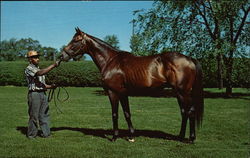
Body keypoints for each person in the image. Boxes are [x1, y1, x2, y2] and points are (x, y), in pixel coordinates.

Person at [25, 50, 60, 139]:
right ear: (30, 59)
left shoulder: (38, 68)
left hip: (43, 94)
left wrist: (51, 86)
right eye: (35, 57)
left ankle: (46, 134)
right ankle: (32, 135)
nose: (37, 58)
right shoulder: (29, 68)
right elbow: (40, 73)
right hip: (34, 94)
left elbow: (42, 84)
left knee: (44, 115)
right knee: (34, 115)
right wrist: (53, 65)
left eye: (37, 57)